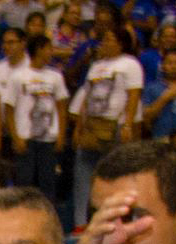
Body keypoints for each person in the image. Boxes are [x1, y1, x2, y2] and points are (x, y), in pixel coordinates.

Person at [68, 27, 144, 229]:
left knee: (117, 175)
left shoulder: (130, 64)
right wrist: (79, 127)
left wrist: (128, 124)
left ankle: (117, 221)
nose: (105, 42)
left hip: (116, 124)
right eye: (105, 39)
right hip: (92, 124)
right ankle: (81, 222)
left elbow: (133, 95)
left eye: (110, 39)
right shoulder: (96, 66)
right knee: (83, 173)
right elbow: (86, 97)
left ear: (121, 43)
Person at [6, 33, 67, 203]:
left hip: (48, 138)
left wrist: (61, 135)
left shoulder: (56, 76)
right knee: (24, 182)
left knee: (48, 182)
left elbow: (62, 108)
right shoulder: (18, 76)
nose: (51, 52)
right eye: (48, 48)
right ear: (39, 50)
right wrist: (15, 137)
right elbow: (9, 108)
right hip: (25, 138)